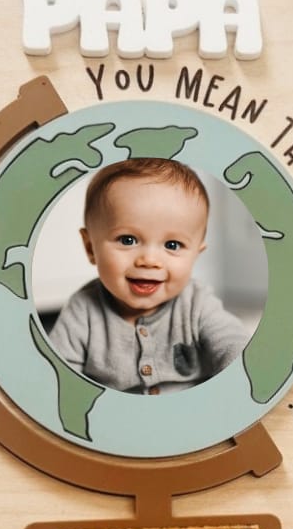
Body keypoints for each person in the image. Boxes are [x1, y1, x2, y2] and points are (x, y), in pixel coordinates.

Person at [48, 158, 248, 395]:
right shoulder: (82, 311)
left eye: (172, 245)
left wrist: (239, 383)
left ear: (196, 254)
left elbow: (232, 343)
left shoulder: (197, 303)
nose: (149, 260)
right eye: (128, 240)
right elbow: (56, 377)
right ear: (90, 247)